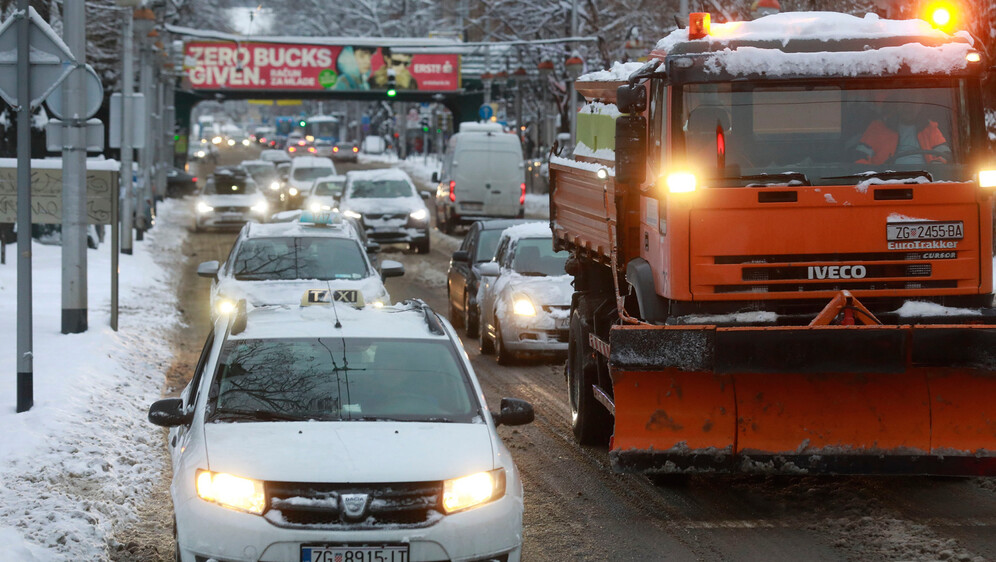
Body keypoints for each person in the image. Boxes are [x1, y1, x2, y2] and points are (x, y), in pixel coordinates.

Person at [854, 92, 951, 166]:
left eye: (913, 102)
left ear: (920, 105)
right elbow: (860, 157)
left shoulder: (930, 128)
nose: (908, 107)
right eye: (905, 101)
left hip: (925, 179)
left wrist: (936, 166)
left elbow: (944, 153)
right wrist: (873, 177)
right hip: (887, 181)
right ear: (896, 104)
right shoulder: (877, 128)